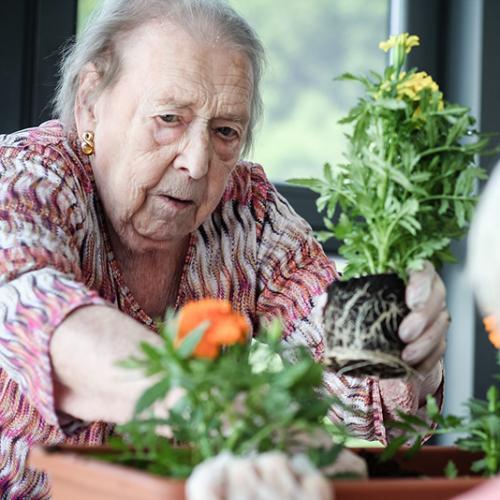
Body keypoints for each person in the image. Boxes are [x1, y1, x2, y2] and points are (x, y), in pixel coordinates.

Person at [0, 0, 447, 496]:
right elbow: (32, 307)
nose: (196, 161)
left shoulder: (247, 212)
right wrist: (223, 412)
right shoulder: (29, 179)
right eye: (168, 117)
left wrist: (405, 344)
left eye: (225, 132)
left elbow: (355, 388)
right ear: (89, 102)